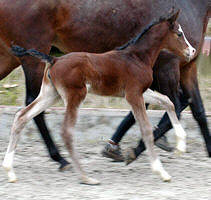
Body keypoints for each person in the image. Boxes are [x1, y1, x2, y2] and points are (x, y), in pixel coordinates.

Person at [102, 36, 211, 162]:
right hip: (159, 65)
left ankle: (113, 143)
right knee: (182, 98)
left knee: (143, 103)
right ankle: (158, 133)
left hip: (149, 61)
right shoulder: (170, 23)